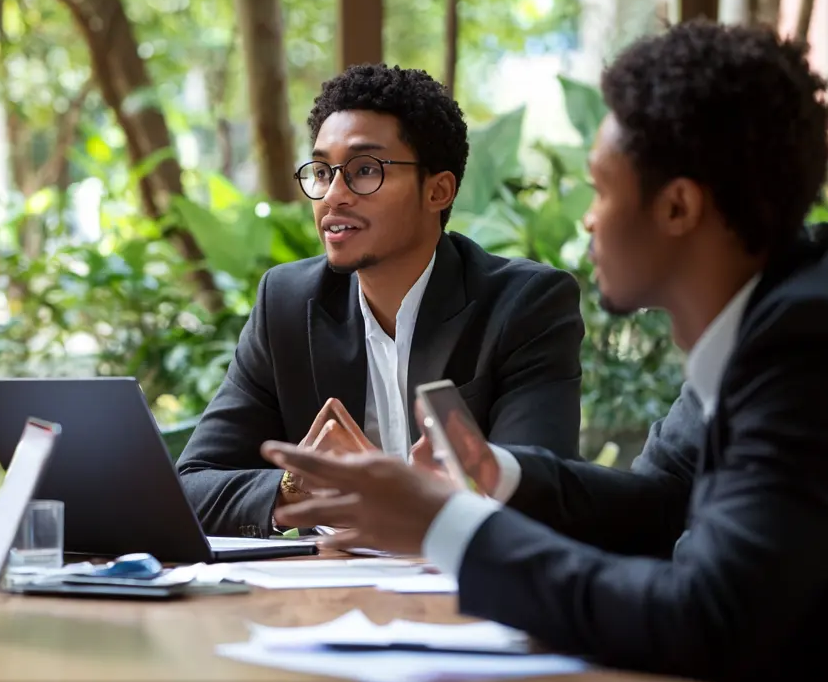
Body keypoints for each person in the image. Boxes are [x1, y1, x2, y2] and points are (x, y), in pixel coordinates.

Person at [263, 21, 828, 682]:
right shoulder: (777, 305)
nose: (589, 219)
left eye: (601, 189)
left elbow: (708, 620)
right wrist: (494, 476)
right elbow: (666, 499)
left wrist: (449, 528)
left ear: (677, 208)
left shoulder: (812, 345)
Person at [177, 63, 585, 537]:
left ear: (438, 190)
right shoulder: (287, 305)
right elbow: (192, 485)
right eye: (323, 171)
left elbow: (536, 495)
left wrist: (396, 491)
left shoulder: (524, 305)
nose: (334, 196)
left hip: (466, 593)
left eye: (364, 170)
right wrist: (300, 487)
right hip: (328, 596)